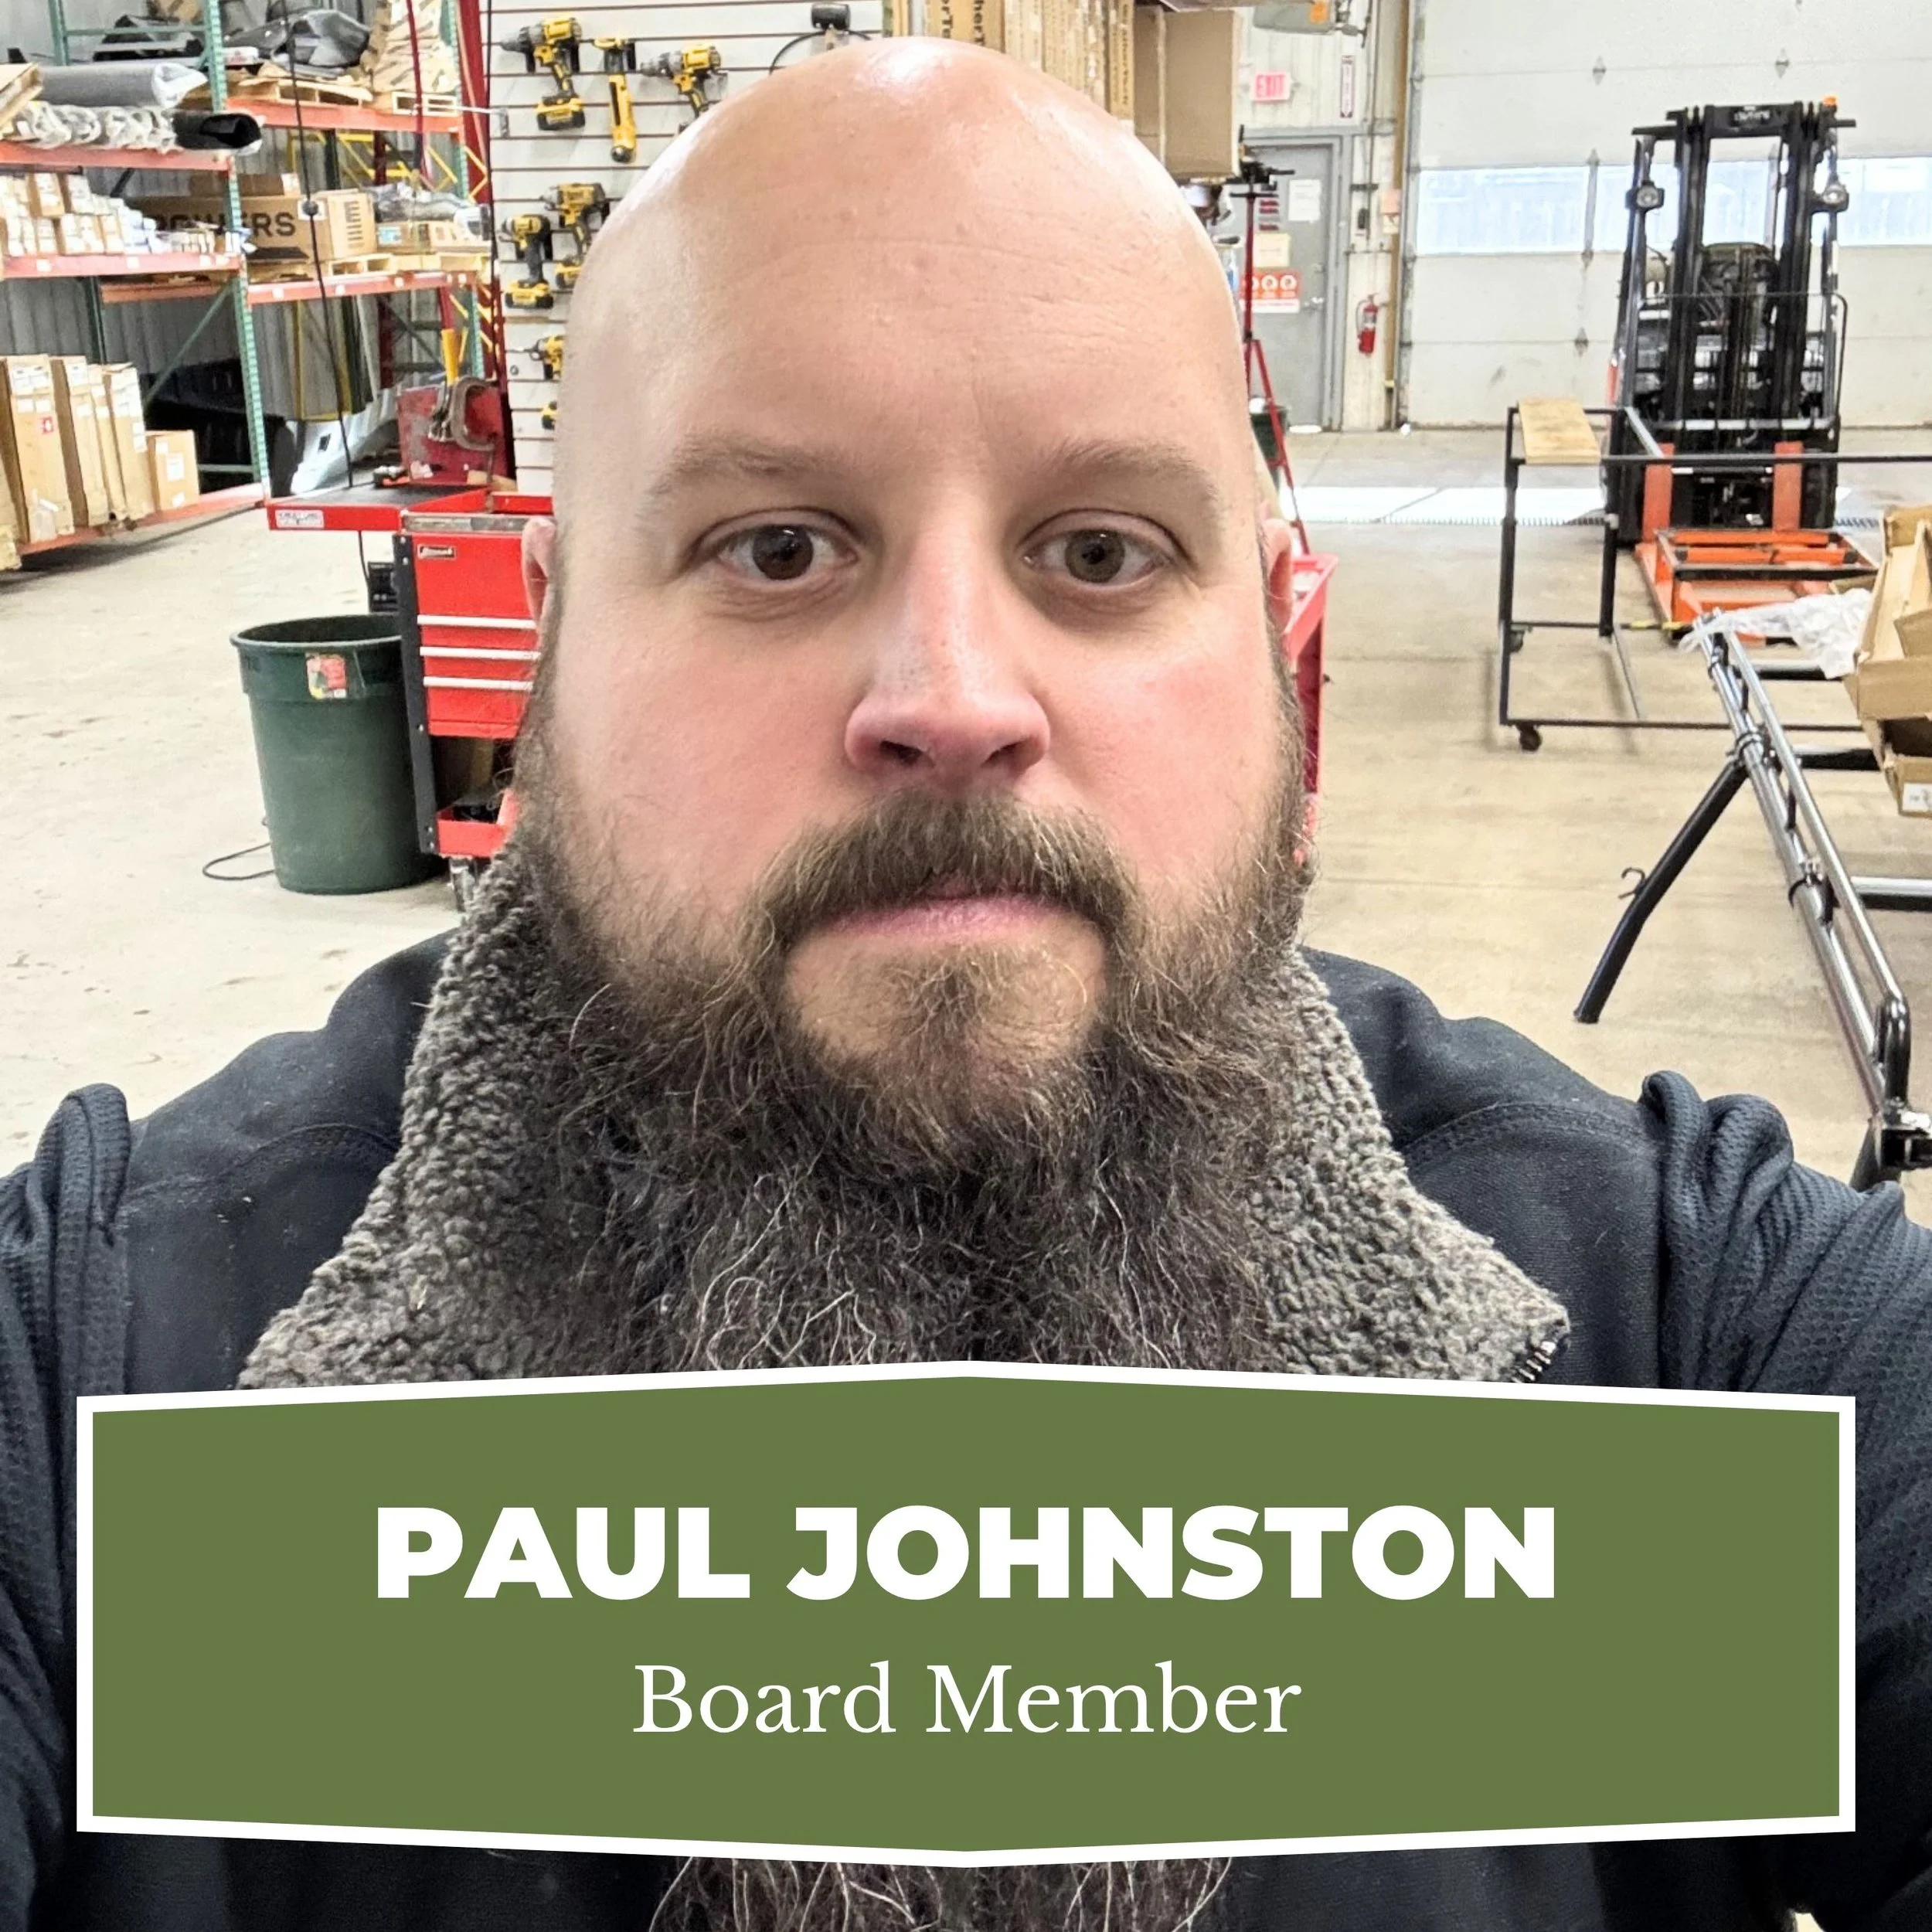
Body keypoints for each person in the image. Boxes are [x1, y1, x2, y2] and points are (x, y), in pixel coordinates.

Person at [2, 39, 1928, 1932]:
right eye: (774, 545)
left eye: (1099, 549)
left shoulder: (1682, 1330)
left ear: (1268, 655)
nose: (947, 695)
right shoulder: (115, 1357)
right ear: (559, 643)